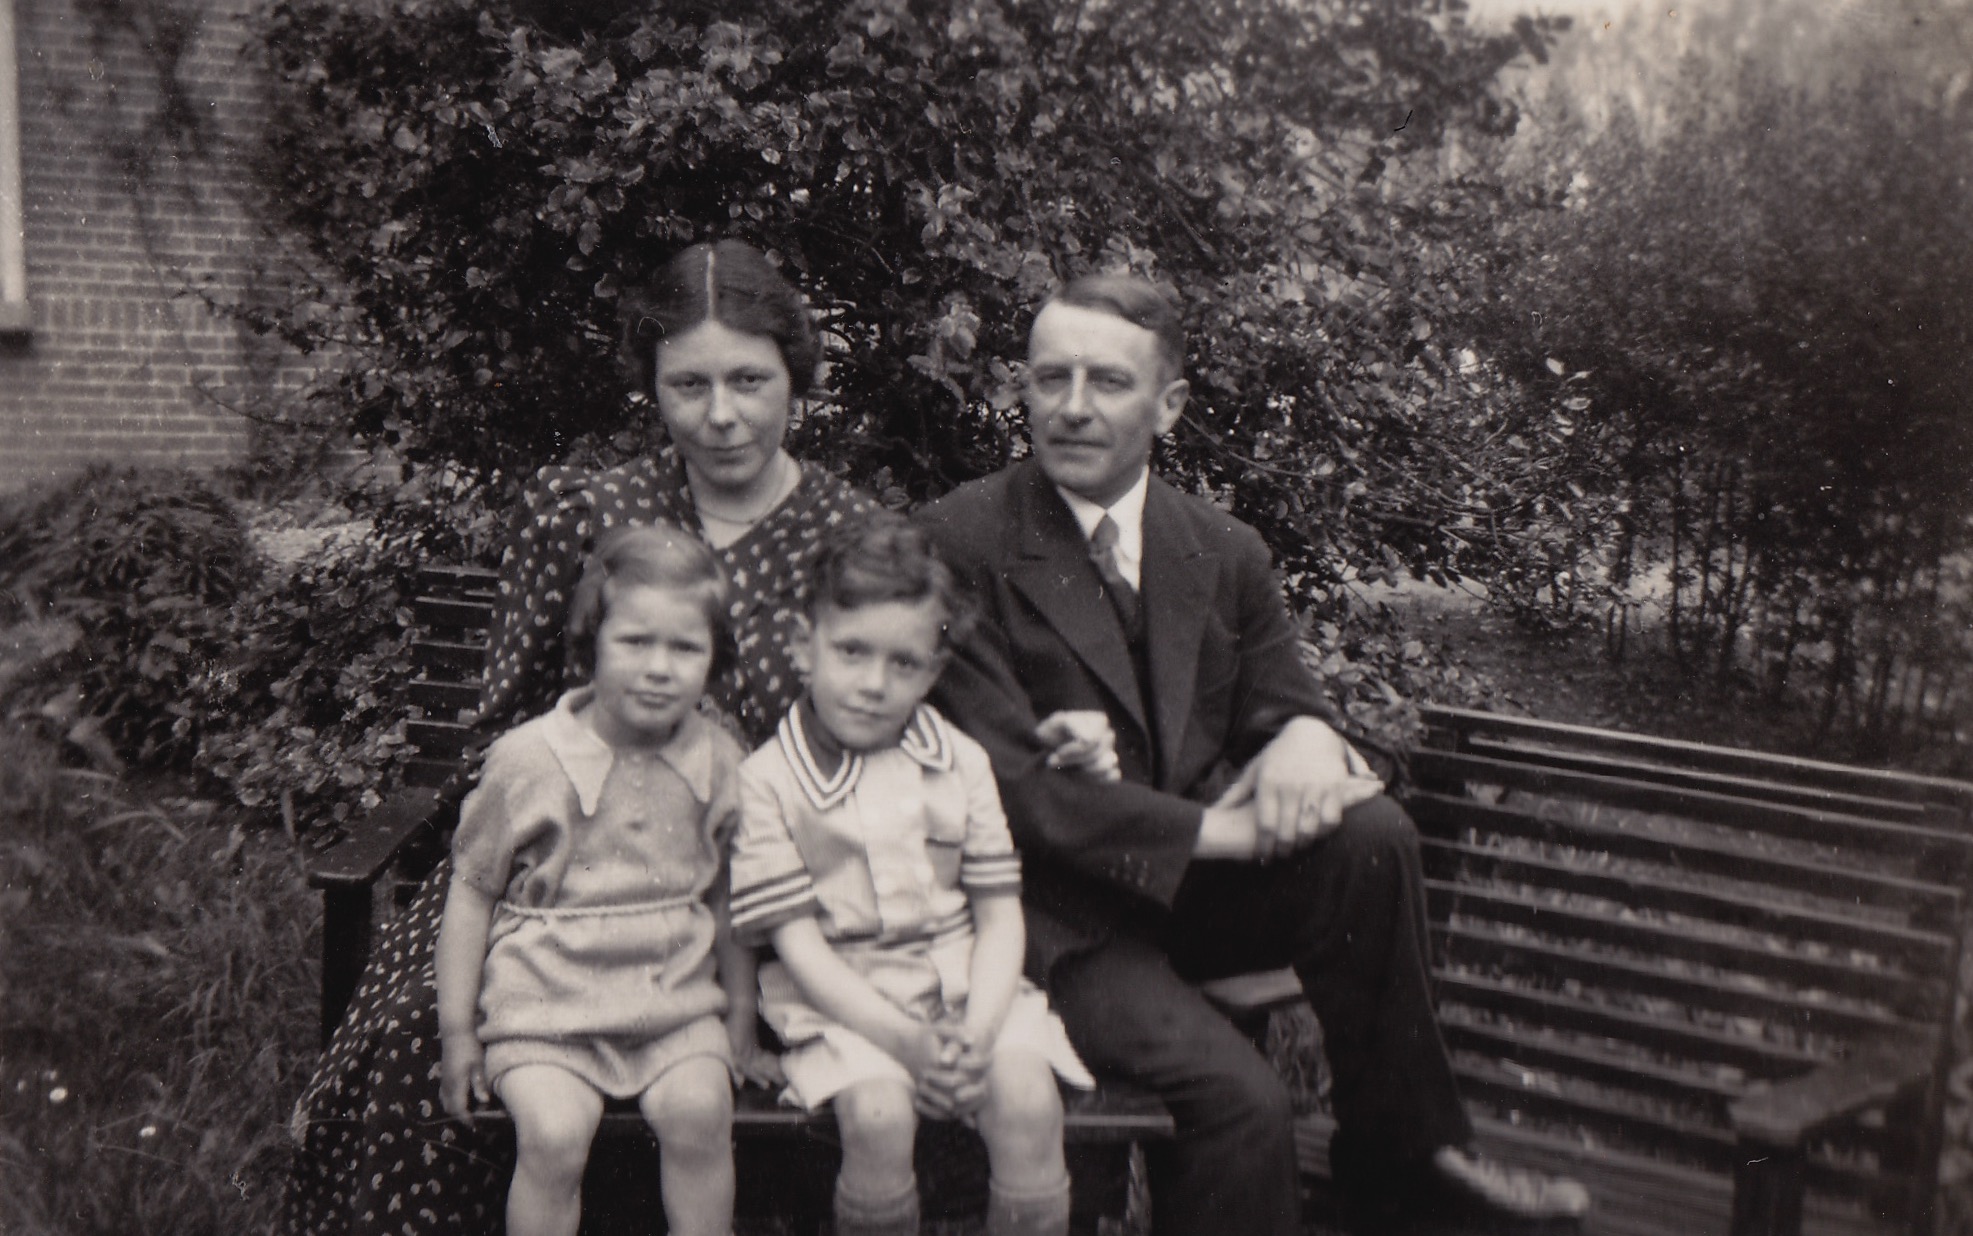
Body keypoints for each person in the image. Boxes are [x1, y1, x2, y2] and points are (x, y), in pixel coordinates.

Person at [916, 273, 1593, 1234]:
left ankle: (1406, 1156)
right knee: (1245, 1104)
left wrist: (1310, 735)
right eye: (1048, 377)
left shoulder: (1218, 548)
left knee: (1370, 837)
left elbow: (1284, 706)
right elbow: (1015, 795)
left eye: (1106, 382)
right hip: (1045, 919)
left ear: (1169, 404)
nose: (1070, 407)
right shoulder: (958, 542)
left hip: (1179, 896)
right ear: (1021, 386)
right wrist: (1223, 833)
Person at [287, 240, 879, 1236]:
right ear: (651, 387)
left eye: (749, 380)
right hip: (555, 871)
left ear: (796, 377)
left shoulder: (852, 540)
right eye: (688, 384)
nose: (721, 413)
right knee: (410, 1048)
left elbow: (866, 753)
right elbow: (507, 727)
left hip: (759, 892)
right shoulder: (586, 515)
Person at [728, 513, 1106, 1236]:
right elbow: (800, 949)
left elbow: (998, 917)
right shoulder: (768, 782)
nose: (873, 684)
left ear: (933, 672)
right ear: (802, 648)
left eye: (903, 663)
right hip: (846, 1004)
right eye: (851, 652)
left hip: (970, 992)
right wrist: (905, 1043)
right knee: (876, 1115)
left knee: (1028, 1100)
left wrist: (977, 1027)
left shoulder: (959, 760)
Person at [434, 525, 765, 1236]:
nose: (658, 668)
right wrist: (458, 1031)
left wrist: (739, 1013)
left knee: (701, 1115)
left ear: (713, 661)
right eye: (634, 642)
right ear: (591, 647)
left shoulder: (719, 759)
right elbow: (472, 889)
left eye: (684, 648)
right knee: (553, 1136)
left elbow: (727, 894)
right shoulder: (528, 761)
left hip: (671, 1005)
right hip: (545, 1012)